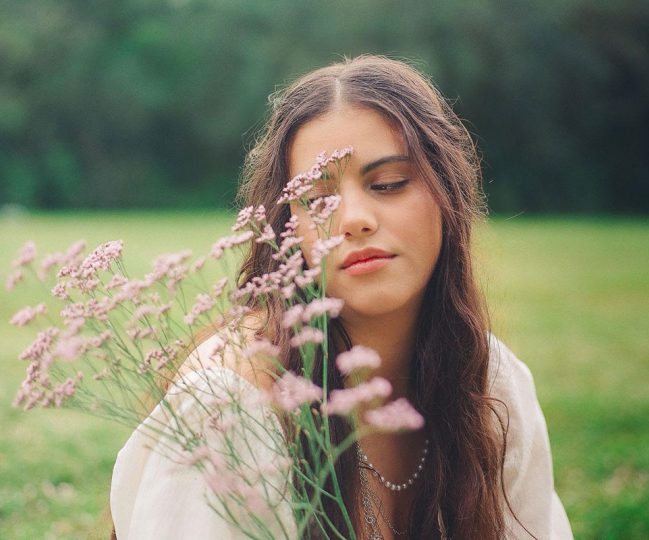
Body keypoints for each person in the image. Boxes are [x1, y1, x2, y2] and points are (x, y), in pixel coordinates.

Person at [110, 55, 573, 539]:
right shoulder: (229, 406)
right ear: (286, 228)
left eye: (389, 184)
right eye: (316, 200)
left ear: (448, 192)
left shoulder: (491, 382)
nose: (353, 218)